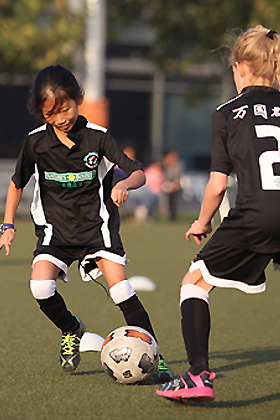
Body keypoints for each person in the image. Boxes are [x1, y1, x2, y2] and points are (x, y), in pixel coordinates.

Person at [0, 64, 174, 381]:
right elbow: (17, 183)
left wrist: (123, 185)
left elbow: (138, 172)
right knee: (39, 286)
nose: (61, 118)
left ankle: (155, 355)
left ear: (79, 97)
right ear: (41, 113)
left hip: (98, 230)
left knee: (121, 290)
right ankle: (71, 328)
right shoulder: (35, 143)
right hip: (56, 232)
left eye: (65, 108)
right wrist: (8, 225)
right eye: (50, 114)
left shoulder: (98, 137)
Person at [157, 25, 280, 402]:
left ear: (240, 67)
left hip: (258, 213)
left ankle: (197, 376)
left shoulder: (227, 113)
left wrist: (202, 221)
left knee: (194, 283)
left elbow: (216, 185)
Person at [161, 149, 184, 220]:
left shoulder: (178, 166)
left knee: (173, 197)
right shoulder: (162, 165)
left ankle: (172, 215)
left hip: (173, 186)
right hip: (162, 185)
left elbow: (178, 178)